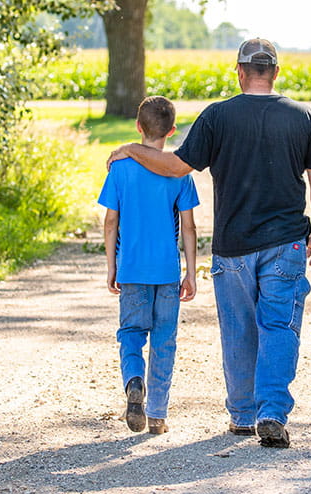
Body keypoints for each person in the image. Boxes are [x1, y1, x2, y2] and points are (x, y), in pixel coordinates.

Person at [106, 38, 311, 448]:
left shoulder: (217, 117)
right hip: (287, 244)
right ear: (276, 73)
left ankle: (243, 415)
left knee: (238, 330)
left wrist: (130, 149)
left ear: (239, 70)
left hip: (233, 247)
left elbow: (176, 166)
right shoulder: (304, 117)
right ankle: (271, 412)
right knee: (279, 326)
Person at [98, 96, 200, 435]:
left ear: (138, 127)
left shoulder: (121, 169)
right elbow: (188, 226)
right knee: (164, 340)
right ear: (171, 130)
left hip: (131, 270)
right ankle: (157, 415)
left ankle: (133, 382)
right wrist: (191, 272)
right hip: (167, 272)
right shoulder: (179, 173)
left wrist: (112, 264)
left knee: (130, 333)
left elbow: (111, 221)